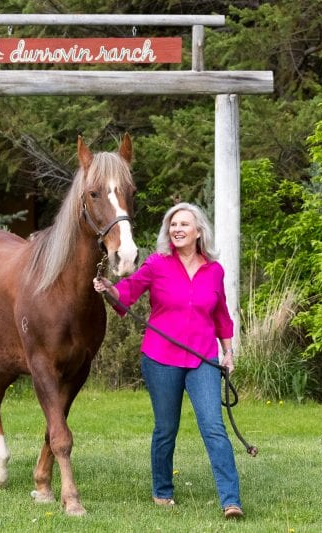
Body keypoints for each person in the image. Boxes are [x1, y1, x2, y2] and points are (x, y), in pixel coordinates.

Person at [93, 202, 243, 519]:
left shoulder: (214, 270)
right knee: (166, 429)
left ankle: (231, 501)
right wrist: (109, 288)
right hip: (160, 358)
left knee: (214, 428)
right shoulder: (158, 264)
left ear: (198, 230)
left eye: (183, 224)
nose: (176, 229)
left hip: (203, 358)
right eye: (172, 224)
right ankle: (162, 491)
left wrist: (228, 351)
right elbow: (129, 291)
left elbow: (221, 314)